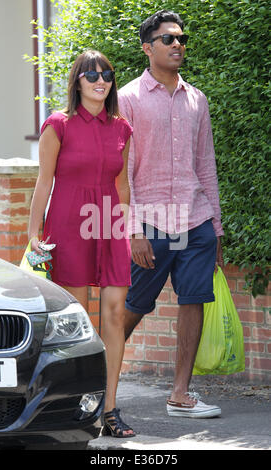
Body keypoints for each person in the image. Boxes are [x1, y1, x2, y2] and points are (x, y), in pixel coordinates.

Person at [118, 10, 224, 418]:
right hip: (150, 221)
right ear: (148, 48)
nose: (178, 44)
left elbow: (207, 165)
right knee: (132, 306)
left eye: (181, 38)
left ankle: (181, 395)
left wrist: (214, 226)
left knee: (194, 300)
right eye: (168, 39)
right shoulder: (127, 98)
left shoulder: (198, 99)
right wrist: (131, 230)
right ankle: (92, 386)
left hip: (194, 219)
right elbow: (122, 170)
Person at [28, 49, 135, 437]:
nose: (100, 81)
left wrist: (126, 231)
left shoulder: (122, 128)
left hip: (110, 226)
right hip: (70, 224)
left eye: (106, 74)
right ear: (77, 82)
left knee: (114, 315)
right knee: (75, 317)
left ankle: (109, 409)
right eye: (91, 75)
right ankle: (76, 407)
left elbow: (123, 185)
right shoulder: (58, 125)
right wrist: (33, 234)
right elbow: (44, 182)